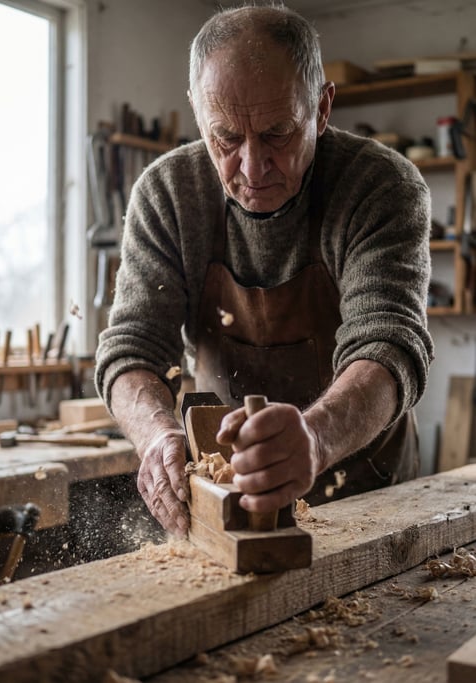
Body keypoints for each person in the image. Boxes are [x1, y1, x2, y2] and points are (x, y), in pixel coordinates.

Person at [95, 4, 434, 537]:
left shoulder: (381, 187)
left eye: (278, 133)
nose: (251, 169)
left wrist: (316, 438)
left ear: (321, 109)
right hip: (222, 492)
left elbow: (388, 344)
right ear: (197, 111)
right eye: (225, 137)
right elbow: (132, 349)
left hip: (366, 495)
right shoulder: (167, 195)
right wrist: (158, 436)